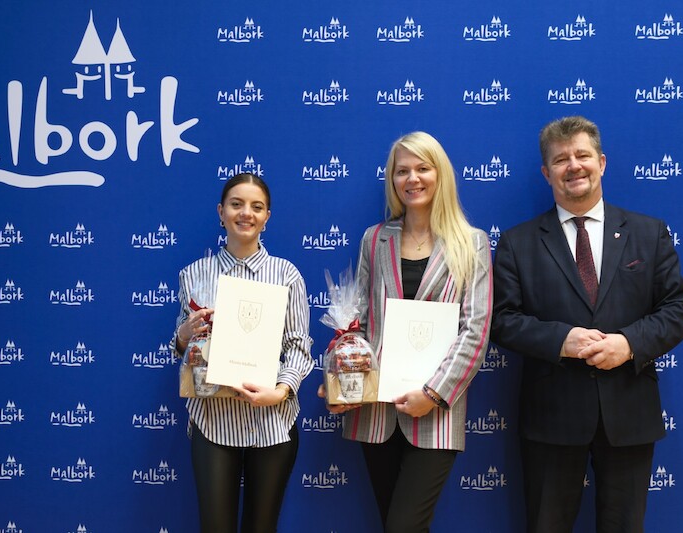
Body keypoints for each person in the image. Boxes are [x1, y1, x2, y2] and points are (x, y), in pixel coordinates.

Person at [491, 115, 683, 532]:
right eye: (561, 159)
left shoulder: (649, 233)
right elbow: (502, 320)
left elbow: (679, 307)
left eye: (582, 155)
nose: (573, 166)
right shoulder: (517, 242)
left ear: (601, 162)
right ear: (546, 173)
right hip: (551, 417)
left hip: (629, 412)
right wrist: (560, 340)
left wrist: (629, 344)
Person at [321, 131, 493, 532]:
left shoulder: (472, 243)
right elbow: (360, 323)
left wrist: (433, 394)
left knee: (403, 525)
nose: (412, 179)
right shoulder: (375, 239)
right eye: (402, 171)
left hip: (436, 413)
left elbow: (476, 331)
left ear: (440, 174)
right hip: (376, 412)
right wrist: (342, 382)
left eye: (422, 168)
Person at [172, 172, 314, 533]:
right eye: (236, 204)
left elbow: (299, 346)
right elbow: (183, 348)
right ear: (221, 212)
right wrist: (184, 334)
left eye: (257, 207)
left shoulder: (286, 275)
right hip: (213, 418)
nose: (246, 213)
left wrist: (280, 391)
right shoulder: (194, 275)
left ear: (267, 217)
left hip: (272, 422)